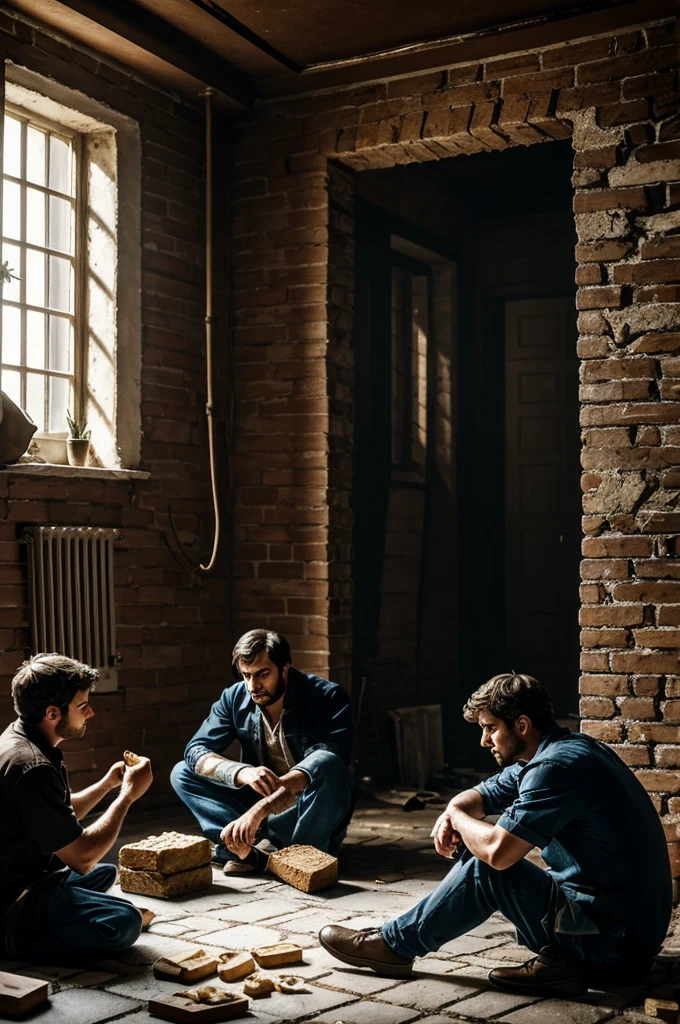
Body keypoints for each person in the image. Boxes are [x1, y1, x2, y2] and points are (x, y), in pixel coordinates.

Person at [319, 672, 672, 996]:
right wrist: (451, 811)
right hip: (620, 933)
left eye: (490, 728)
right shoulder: (560, 750)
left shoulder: (554, 769)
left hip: (616, 949)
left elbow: (498, 853)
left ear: (521, 725)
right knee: (480, 848)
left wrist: (456, 818)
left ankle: (394, 947)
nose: (484, 740)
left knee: (487, 866)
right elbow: (484, 794)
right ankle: (563, 963)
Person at [0, 653, 154, 960]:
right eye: (82, 706)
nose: (91, 712)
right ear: (53, 713)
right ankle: (16, 940)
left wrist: (108, 784)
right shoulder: (33, 767)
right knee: (125, 921)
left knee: (105, 872)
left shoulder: (18, 737)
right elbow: (82, 856)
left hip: (28, 874)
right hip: (13, 899)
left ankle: (70, 912)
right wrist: (127, 796)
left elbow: (52, 813)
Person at [171, 629, 354, 874]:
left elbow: (324, 763)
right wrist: (242, 773)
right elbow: (195, 750)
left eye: (263, 674)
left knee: (327, 763)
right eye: (246, 675)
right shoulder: (234, 698)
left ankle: (295, 857)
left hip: (306, 807)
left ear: (285, 668)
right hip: (258, 807)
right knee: (182, 773)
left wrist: (261, 808)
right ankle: (239, 844)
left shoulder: (327, 697)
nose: (253, 686)